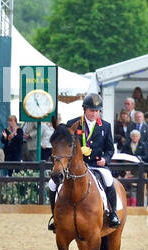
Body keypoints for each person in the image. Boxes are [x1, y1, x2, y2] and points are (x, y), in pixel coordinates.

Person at [47, 92, 120, 230]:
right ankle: (54, 216)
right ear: (85, 109)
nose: (94, 114)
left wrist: (105, 159)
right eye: (91, 110)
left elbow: (110, 149)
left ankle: (113, 213)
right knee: (52, 184)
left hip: (96, 165)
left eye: (97, 111)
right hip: (75, 166)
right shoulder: (72, 124)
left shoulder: (105, 126)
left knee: (109, 179)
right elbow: (63, 144)